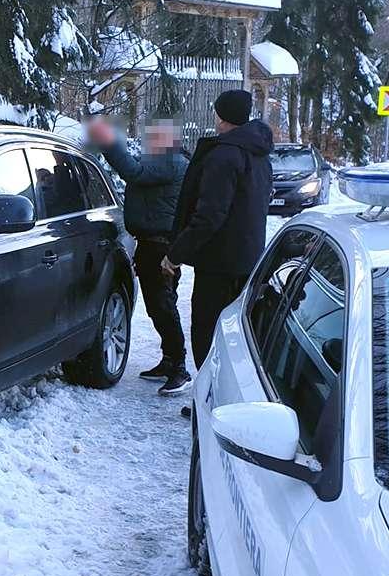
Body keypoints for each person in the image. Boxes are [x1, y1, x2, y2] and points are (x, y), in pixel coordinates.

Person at [165, 89, 273, 377]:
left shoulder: (225, 155)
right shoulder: (258, 154)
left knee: (207, 333)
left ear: (223, 116)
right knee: (234, 337)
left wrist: (175, 254)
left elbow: (210, 216)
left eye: (216, 111)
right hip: (246, 261)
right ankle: (225, 398)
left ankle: (211, 399)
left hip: (218, 265)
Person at [87, 116, 192, 395]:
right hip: (154, 244)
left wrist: (109, 142)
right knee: (160, 306)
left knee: (163, 306)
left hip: (160, 247)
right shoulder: (166, 161)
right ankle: (169, 360)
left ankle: (180, 368)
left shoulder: (171, 162)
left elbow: (133, 171)